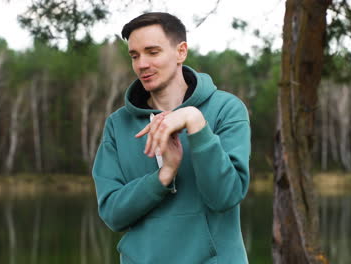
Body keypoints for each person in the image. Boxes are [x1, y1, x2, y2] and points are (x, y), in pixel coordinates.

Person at [92, 12, 251, 264]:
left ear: (181, 52)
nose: (142, 64)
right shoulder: (118, 124)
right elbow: (113, 214)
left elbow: (225, 197)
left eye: (152, 52)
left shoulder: (226, 109)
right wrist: (164, 175)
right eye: (135, 55)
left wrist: (196, 124)